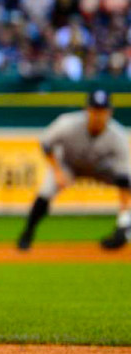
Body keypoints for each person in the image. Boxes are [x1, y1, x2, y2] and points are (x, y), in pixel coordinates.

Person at [17, 89, 131, 251]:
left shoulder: (118, 136)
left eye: (102, 111)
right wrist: (57, 172)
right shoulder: (67, 123)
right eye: (94, 110)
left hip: (100, 168)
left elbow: (124, 182)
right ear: (87, 110)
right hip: (68, 164)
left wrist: (123, 220)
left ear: (110, 112)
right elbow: (46, 144)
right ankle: (27, 232)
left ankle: (123, 229)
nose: (98, 115)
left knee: (129, 182)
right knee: (46, 191)